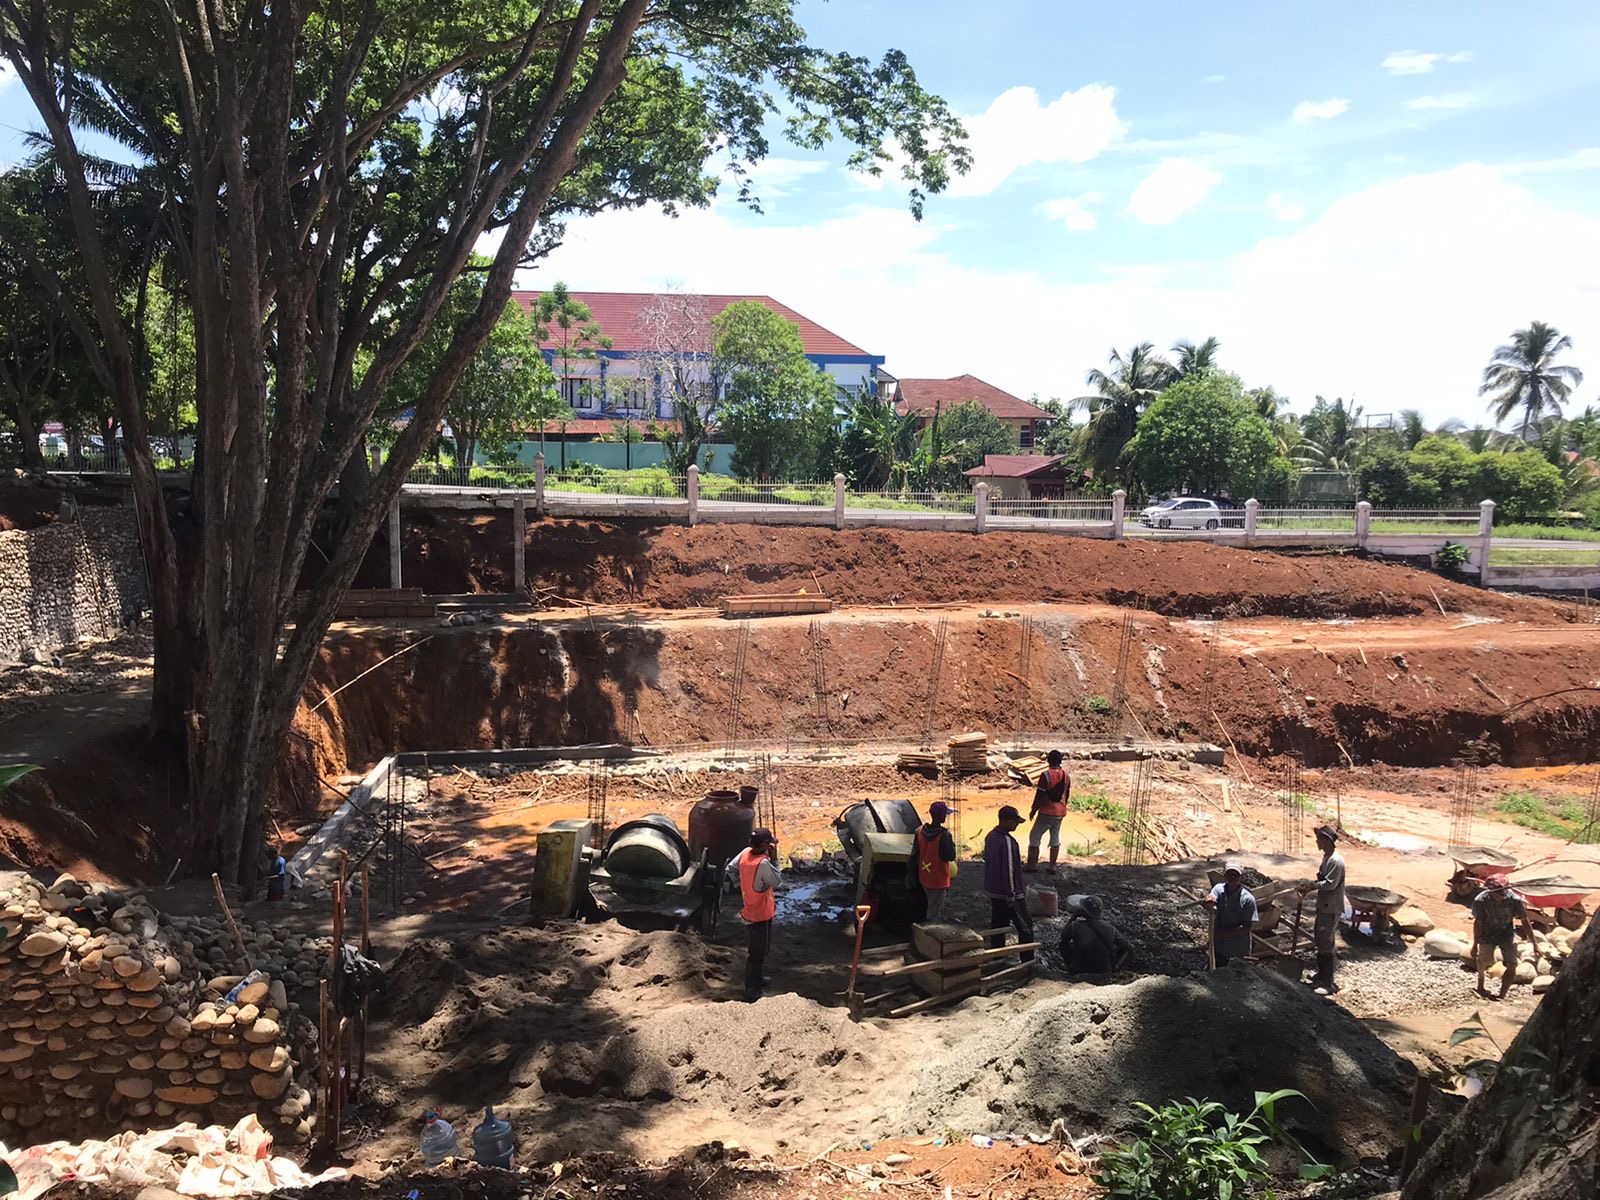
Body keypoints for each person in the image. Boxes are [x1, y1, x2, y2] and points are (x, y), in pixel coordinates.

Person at [1471, 874, 1537, 1000]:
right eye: (1498, 892)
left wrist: (1534, 944)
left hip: (1506, 934)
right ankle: (1481, 980)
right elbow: (1478, 923)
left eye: (1504, 891)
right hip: (1486, 934)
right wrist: (1475, 944)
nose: (1502, 895)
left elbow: (1524, 921)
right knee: (1485, 960)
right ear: (1490, 891)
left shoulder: (1514, 900)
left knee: (1512, 964)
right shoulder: (1480, 901)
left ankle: (1502, 994)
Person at [1297, 825, 1346, 996]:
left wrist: (1311, 886)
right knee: (1321, 939)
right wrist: (1310, 883)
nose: (1317, 841)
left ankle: (1328, 983)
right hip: (1324, 905)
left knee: (1326, 942)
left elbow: (1330, 884)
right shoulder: (1327, 857)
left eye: (1319, 838)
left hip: (1330, 907)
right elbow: (1323, 879)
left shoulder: (1335, 861)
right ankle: (1322, 974)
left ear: (1327, 840)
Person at [983, 806, 1035, 962]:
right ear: (1005, 821)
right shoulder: (1007, 842)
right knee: (1025, 927)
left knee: (998, 926)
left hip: (994, 891)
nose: (1017, 825)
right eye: (1015, 821)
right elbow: (1009, 870)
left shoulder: (990, 836)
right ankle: (1028, 961)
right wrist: (1011, 895)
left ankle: (997, 958)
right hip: (1009, 894)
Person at [738, 828, 780, 1002]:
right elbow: (777, 881)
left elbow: (732, 867)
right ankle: (752, 990)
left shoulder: (745, 853)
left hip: (750, 908)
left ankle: (759, 979)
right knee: (757, 954)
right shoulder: (762, 864)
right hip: (760, 914)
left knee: (759, 951)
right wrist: (775, 860)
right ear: (763, 845)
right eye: (768, 843)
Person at [1203, 860, 1258, 966]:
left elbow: (1246, 928)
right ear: (1225, 875)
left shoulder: (1248, 899)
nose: (1233, 877)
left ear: (1241, 878)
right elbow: (1208, 904)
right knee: (1214, 973)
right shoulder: (1218, 889)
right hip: (1218, 947)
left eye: (1236, 875)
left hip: (1237, 949)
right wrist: (1207, 902)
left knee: (1235, 979)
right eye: (1230, 874)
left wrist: (1223, 935)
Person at [910, 800, 958, 921]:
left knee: (927, 904)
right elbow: (950, 856)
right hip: (938, 879)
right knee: (934, 912)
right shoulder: (944, 836)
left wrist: (910, 875)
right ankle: (929, 932)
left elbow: (914, 855)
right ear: (942, 817)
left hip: (924, 876)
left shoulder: (919, 831)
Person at [1026, 750, 1071, 874]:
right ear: (1060, 761)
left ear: (1048, 761)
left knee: (1035, 836)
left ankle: (1031, 865)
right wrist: (1063, 807)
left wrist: (1033, 810)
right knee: (1055, 838)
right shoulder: (1066, 776)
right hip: (1060, 812)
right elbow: (1067, 795)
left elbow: (1040, 795)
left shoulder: (1045, 775)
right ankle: (1052, 867)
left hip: (1046, 811)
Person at [1062, 894, 1131, 974]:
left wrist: (1073, 917)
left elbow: (1063, 936)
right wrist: (1117, 965)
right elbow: (1128, 947)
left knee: (1062, 945)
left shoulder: (1075, 926)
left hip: (1080, 969)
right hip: (1104, 970)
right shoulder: (1110, 929)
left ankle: (1071, 969)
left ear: (1084, 911)